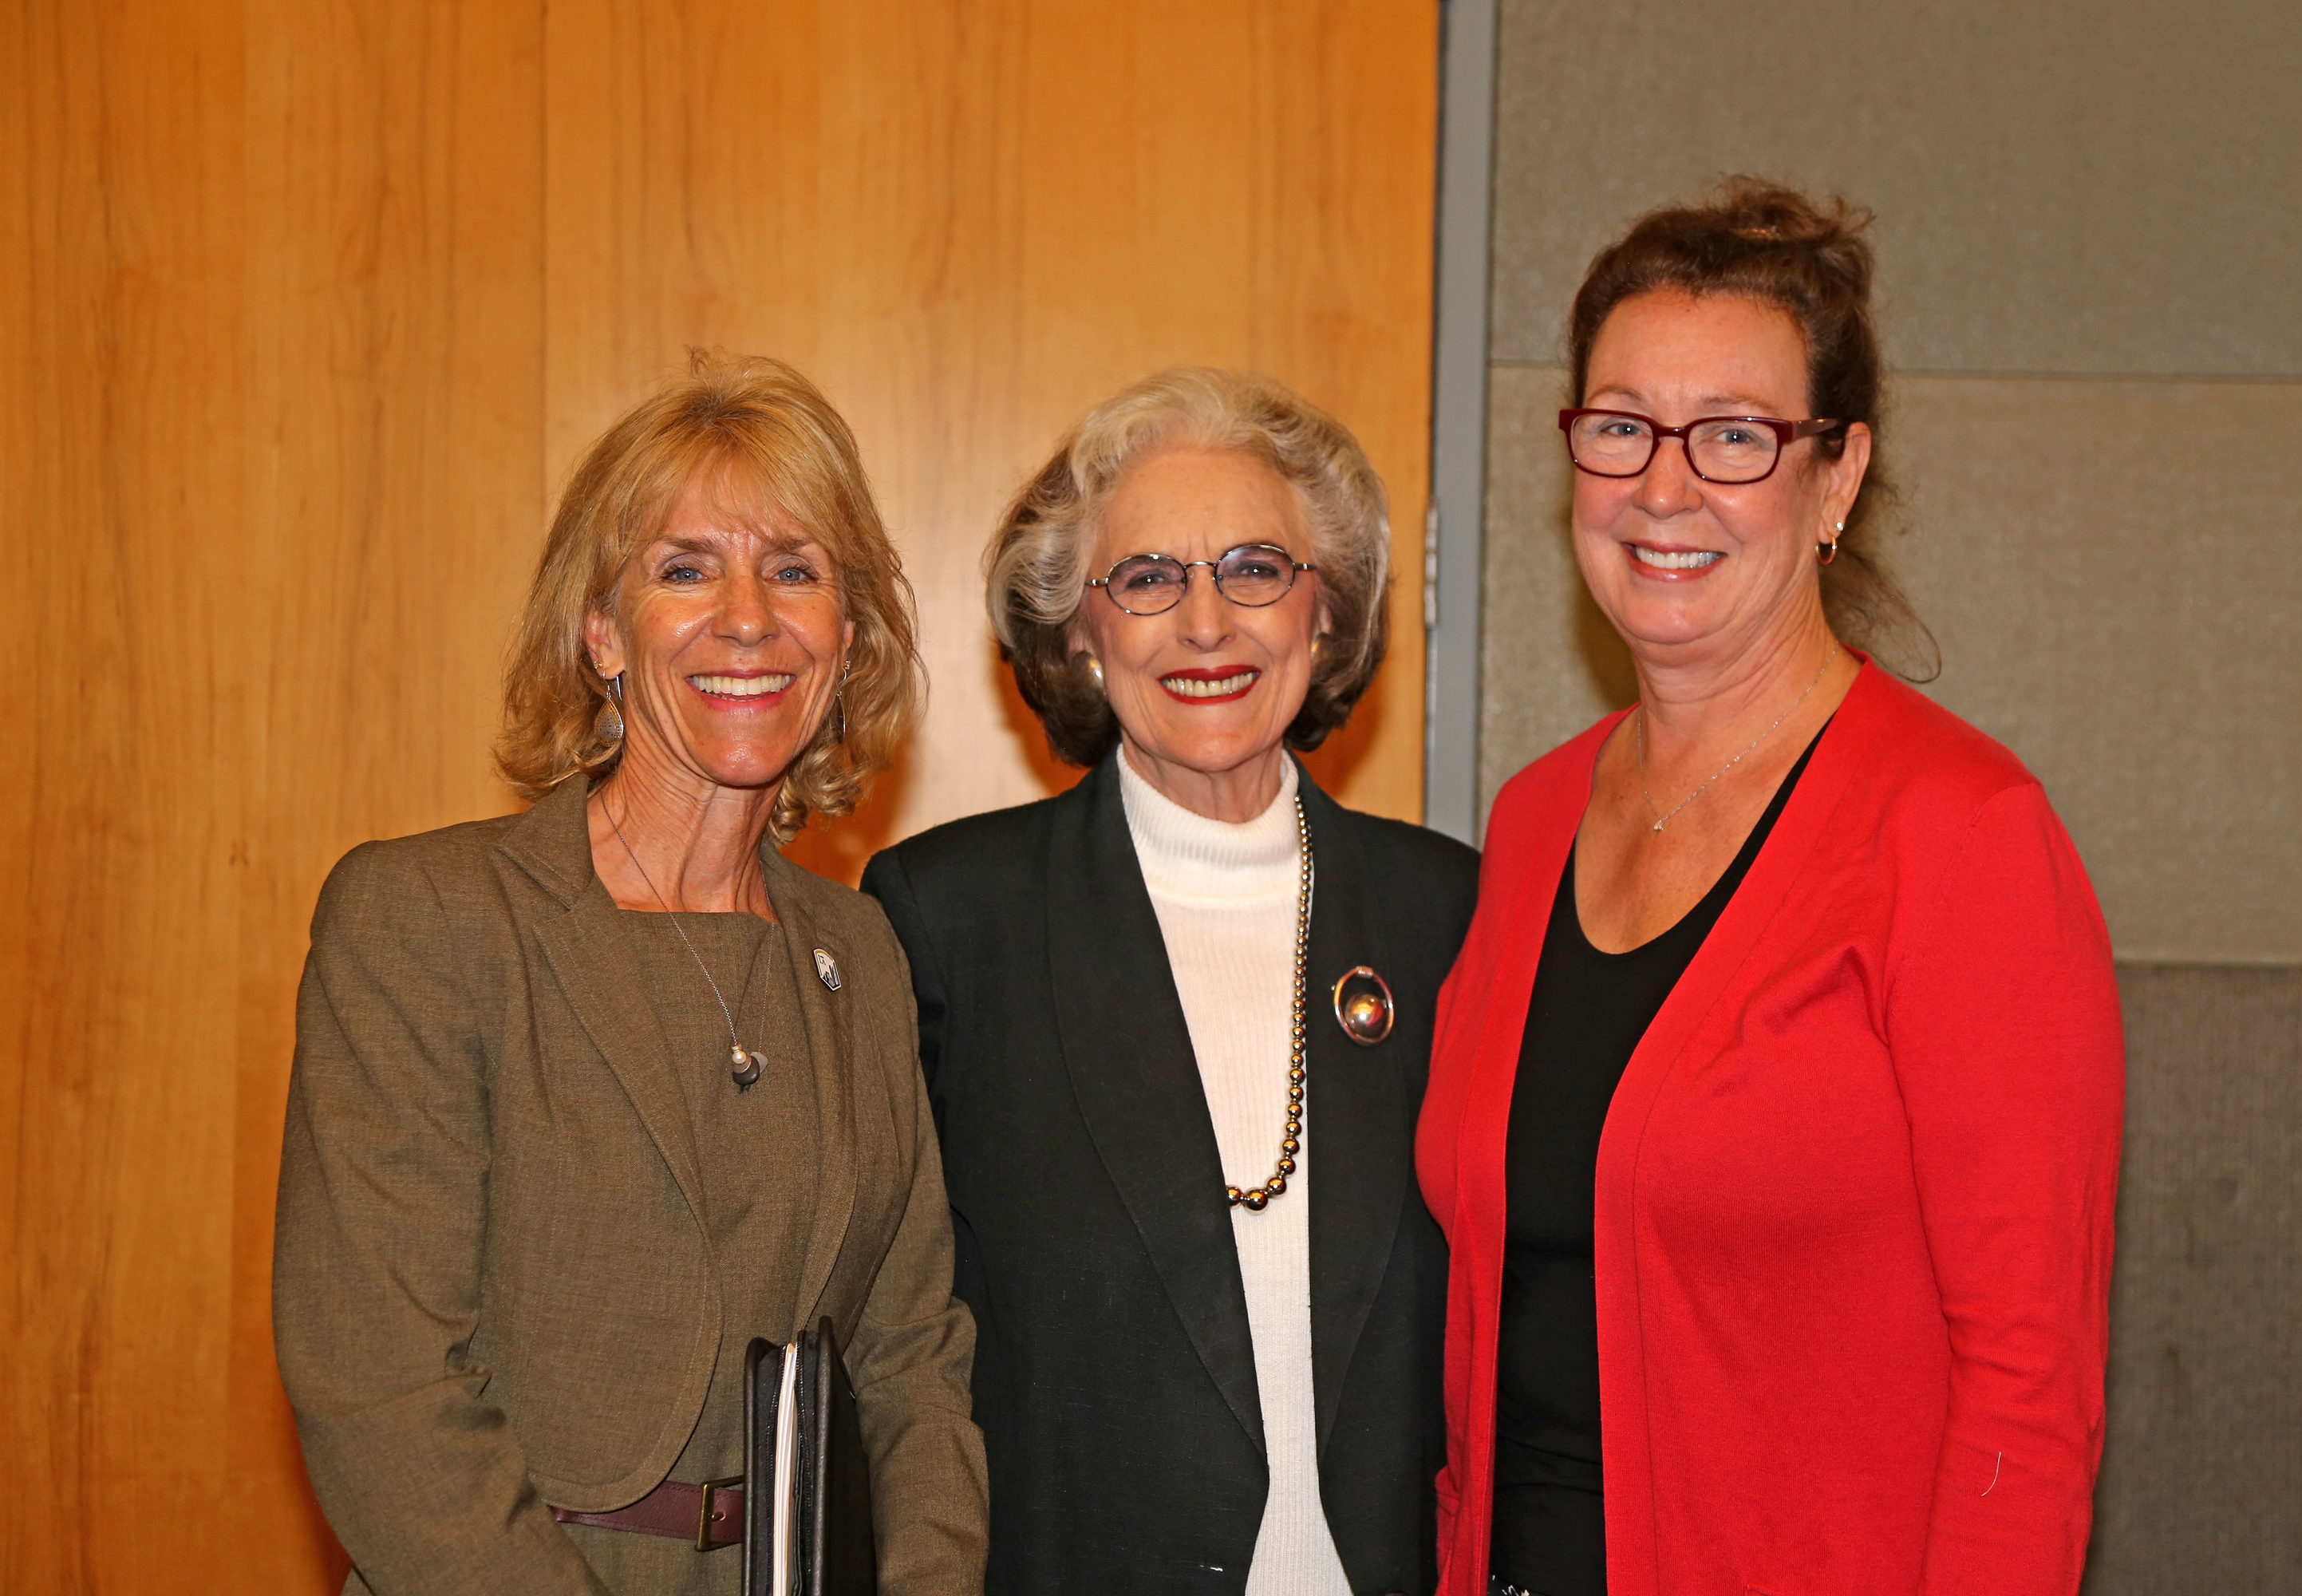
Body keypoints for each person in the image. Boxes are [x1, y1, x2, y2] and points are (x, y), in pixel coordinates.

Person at [1419, 181, 2124, 1596]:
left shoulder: (1963, 837)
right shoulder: (1536, 817)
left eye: (1734, 437)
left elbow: (2028, 1395)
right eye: (1620, 426)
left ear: (1837, 478)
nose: (1663, 487)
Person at [274, 355, 987, 1595]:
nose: (749, 616)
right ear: (601, 629)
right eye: (684, 568)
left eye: (797, 569)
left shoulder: (859, 951)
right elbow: (380, 1382)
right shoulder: (431, 921)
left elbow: (914, 1355)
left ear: (847, 634)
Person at [860, 369, 1477, 1596]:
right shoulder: (950, 921)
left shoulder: (1450, 914)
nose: (1207, 624)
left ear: (1325, 614)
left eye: (1255, 569)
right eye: (1147, 579)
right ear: (1079, 635)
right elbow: (895, 1354)